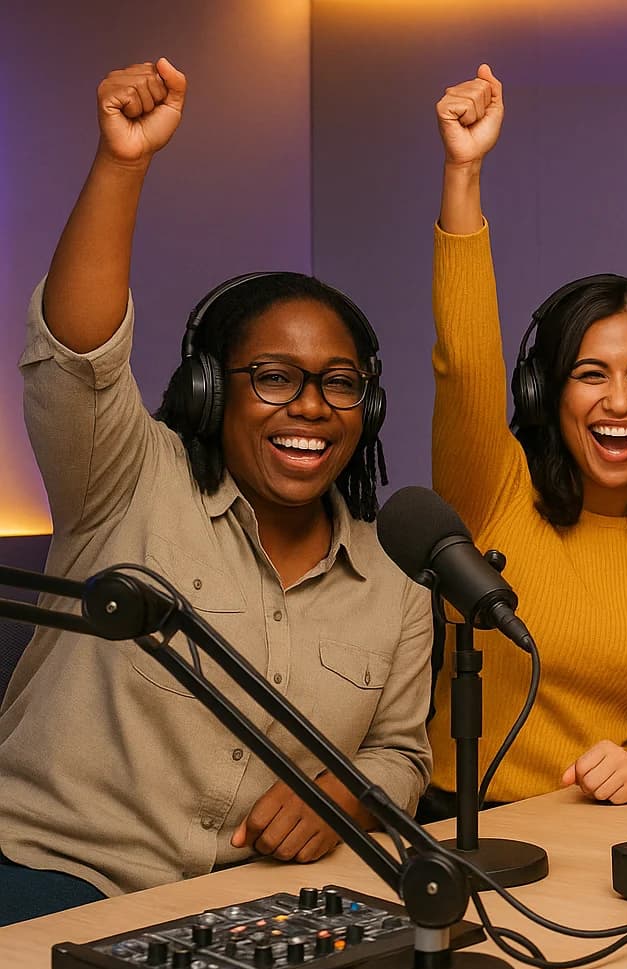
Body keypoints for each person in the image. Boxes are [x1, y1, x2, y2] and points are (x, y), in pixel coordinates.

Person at [0, 59, 433, 924]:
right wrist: (122, 163)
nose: (310, 407)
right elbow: (79, 357)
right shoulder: (124, 478)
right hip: (52, 879)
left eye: (339, 383)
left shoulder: (397, 584)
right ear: (210, 391)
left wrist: (342, 797)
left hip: (252, 907)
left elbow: (401, 752)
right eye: (274, 377)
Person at [429, 65, 627, 807]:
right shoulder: (494, 490)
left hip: (605, 830)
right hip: (462, 825)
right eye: (591, 374)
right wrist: (463, 174)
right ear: (545, 392)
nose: (620, 402)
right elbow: (464, 364)